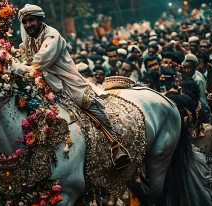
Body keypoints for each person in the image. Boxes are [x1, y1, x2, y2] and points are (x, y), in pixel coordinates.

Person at [14, 4, 129, 168]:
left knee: (88, 104)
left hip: (67, 81)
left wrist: (15, 66)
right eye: (24, 22)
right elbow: (22, 55)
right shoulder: (29, 39)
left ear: (40, 19)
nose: (27, 25)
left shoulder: (52, 36)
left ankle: (116, 141)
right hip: (40, 83)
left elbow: (39, 62)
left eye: (31, 20)